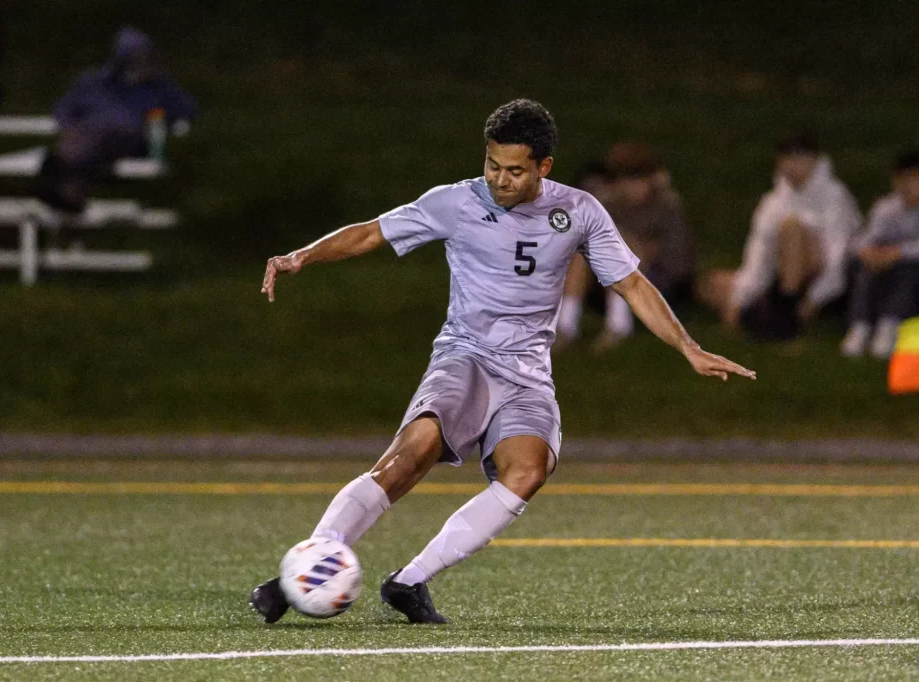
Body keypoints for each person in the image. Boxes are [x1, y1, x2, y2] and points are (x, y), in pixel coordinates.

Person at [250, 99, 756, 624]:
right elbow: (371, 232)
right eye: (493, 165)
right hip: (465, 355)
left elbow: (631, 283)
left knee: (528, 471)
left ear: (544, 167)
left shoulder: (578, 211)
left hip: (528, 372)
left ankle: (409, 582)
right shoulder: (456, 202)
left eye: (515, 170)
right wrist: (301, 256)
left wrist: (688, 347)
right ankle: (303, 571)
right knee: (412, 453)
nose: (500, 179)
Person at [698, 131, 861, 340]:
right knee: (711, 284)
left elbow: (837, 260)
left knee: (791, 229)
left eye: (799, 158)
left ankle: (786, 318)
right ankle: (762, 308)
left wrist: (812, 301)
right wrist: (739, 299)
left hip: (830, 286)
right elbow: (759, 254)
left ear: (814, 160)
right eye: (787, 158)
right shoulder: (773, 201)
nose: (792, 165)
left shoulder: (834, 197)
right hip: (780, 277)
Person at [37, 26, 196, 212]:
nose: (143, 62)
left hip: (131, 140)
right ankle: (69, 191)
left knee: (94, 138)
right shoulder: (95, 83)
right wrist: (71, 127)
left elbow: (185, 111)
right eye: (136, 56)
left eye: (146, 56)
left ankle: (66, 185)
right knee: (89, 138)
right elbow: (64, 109)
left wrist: (164, 121)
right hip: (90, 141)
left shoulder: (159, 88)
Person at [557, 143, 695, 351]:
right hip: (605, 285)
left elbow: (679, 260)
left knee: (622, 244)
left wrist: (647, 250)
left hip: (657, 285)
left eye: (639, 179)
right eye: (627, 180)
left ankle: (619, 325)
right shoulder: (606, 204)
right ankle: (566, 326)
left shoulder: (666, 206)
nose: (634, 187)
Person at [840, 150, 919, 359]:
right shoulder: (887, 208)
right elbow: (863, 239)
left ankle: (889, 326)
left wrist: (900, 253)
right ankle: (860, 327)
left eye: (914, 179)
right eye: (902, 179)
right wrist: (869, 253)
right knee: (867, 264)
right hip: (893, 278)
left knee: (911, 265)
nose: (908, 186)